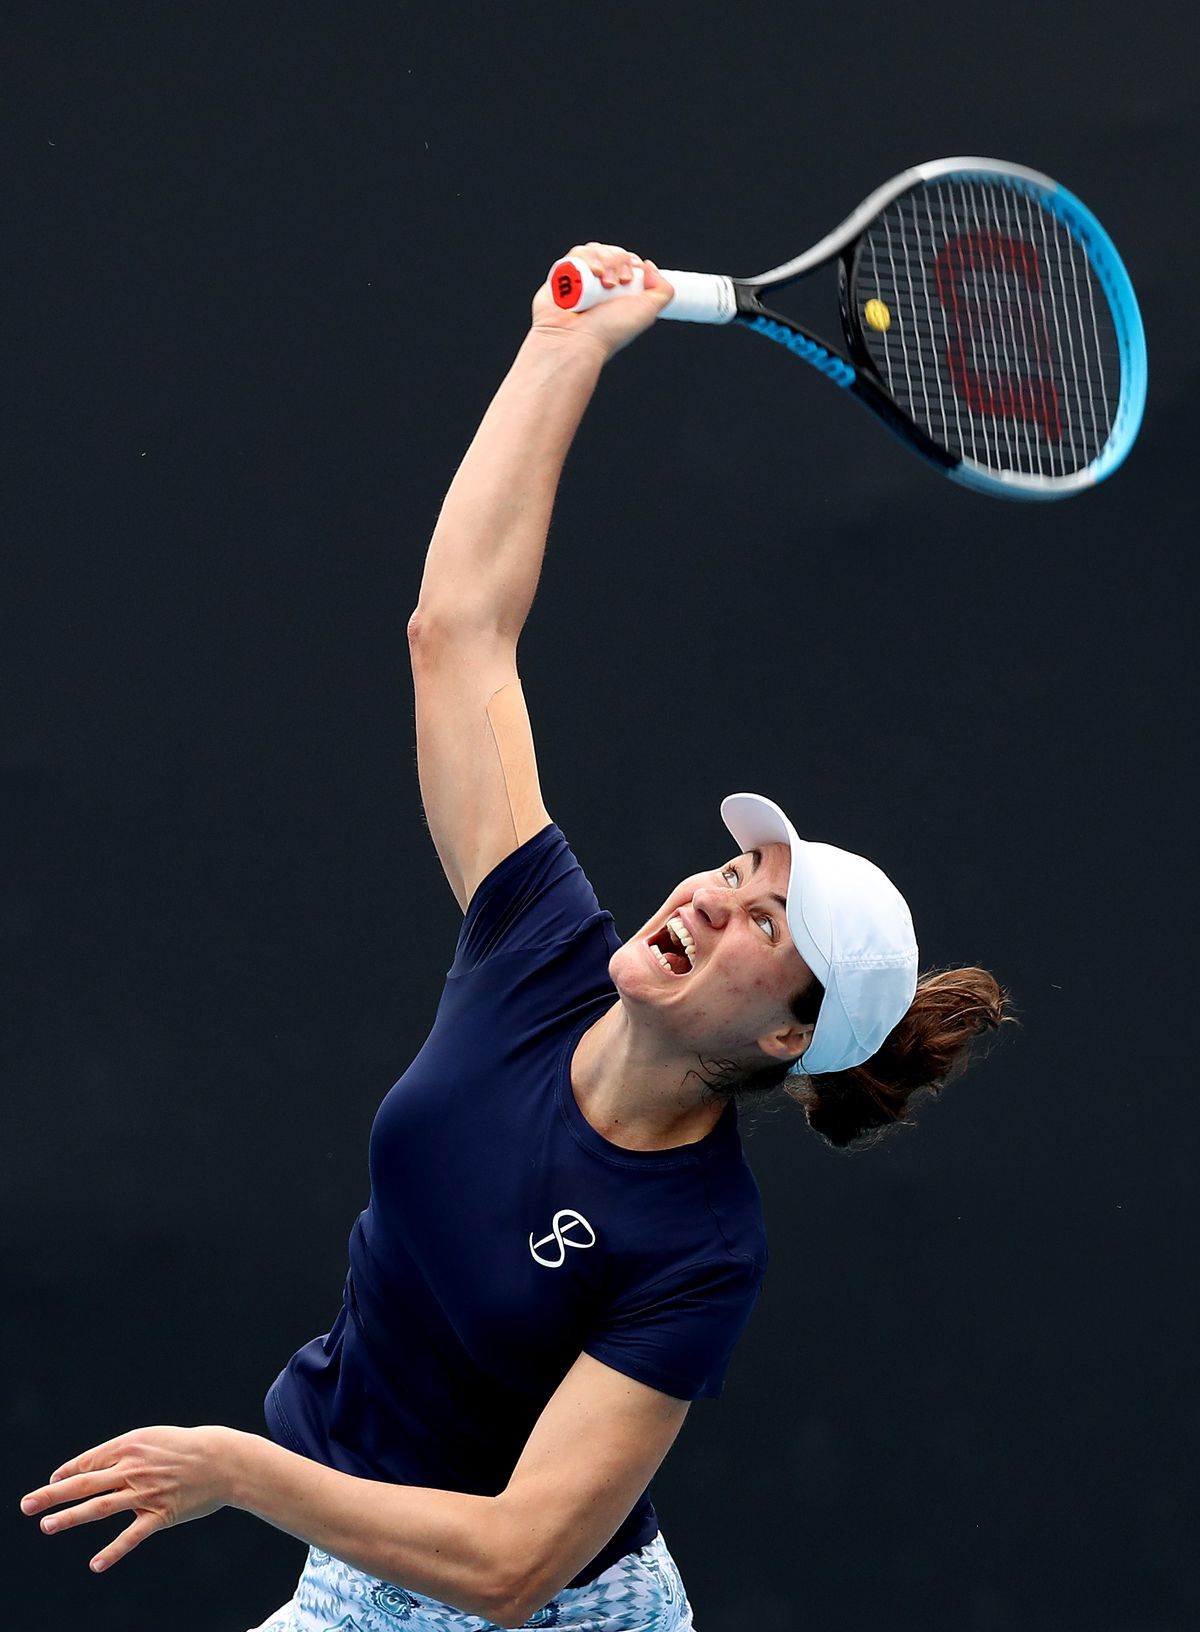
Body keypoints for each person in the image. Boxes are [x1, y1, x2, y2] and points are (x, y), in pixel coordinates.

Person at [18, 244, 1011, 1630]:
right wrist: (568, 349)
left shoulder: (698, 1248)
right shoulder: (540, 946)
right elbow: (459, 634)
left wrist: (242, 1471)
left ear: (789, 1035)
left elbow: (514, 1564)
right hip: (364, 1553)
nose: (712, 896)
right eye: (734, 865)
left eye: (764, 920)